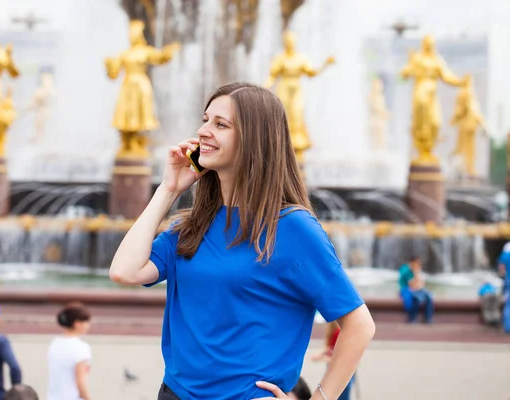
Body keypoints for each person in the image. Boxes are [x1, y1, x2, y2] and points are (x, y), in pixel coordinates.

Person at [110, 82, 375, 399]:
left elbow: (359, 326)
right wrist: (167, 190)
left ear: (254, 140)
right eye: (206, 119)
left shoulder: (292, 228)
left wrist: (318, 398)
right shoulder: (193, 226)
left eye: (220, 124)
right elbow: (124, 271)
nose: (203, 130)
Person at [47, 302, 93, 400]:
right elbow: (80, 382)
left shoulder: (54, 344)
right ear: (77, 323)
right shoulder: (81, 347)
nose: (88, 325)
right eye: (86, 322)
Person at [311, 322, 355, 400]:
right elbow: (331, 349)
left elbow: (342, 356)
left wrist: (324, 358)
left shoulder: (337, 332)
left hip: (340, 371)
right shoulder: (334, 331)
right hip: (339, 371)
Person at [399, 256, 434, 323]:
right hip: (409, 290)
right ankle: (412, 318)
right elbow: (411, 284)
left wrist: (417, 274)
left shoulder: (418, 271)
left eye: (419, 263)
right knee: (416, 299)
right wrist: (415, 274)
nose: (418, 264)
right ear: (411, 263)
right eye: (416, 262)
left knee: (429, 297)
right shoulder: (406, 270)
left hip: (418, 290)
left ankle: (428, 318)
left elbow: (422, 283)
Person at [497, 242, 510, 334]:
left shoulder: (505, 254)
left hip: (508, 280)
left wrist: (502, 276)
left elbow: (501, 268)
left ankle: (508, 327)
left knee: (508, 305)